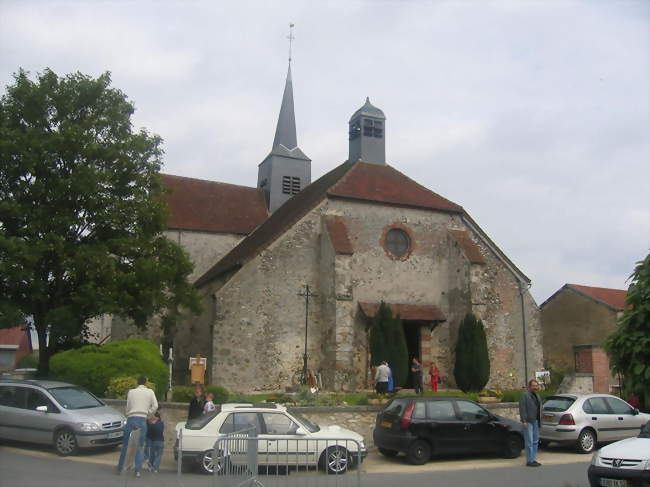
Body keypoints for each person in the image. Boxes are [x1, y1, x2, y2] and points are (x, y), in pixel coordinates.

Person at [117, 376, 158, 477]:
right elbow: (155, 405)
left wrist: (129, 413)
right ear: (146, 382)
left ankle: (121, 467)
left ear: (137, 382)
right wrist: (148, 413)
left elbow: (128, 406)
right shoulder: (150, 392)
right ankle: (138, 470)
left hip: (132, 417)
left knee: (126, 445)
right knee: (139, 446)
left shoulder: (131, 392)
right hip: (142, 418)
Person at [519, 379, 543, 467]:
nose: (535, 387)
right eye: (533, 386)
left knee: (535, 441)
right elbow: (522, 408)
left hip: (536, 421)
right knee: (529, 441)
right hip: (528, 421)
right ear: (529, 387)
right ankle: (529, 460)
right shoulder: (525, 395)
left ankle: (533, 459)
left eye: (536, 386)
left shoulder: (537, 395)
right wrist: (524, 420)